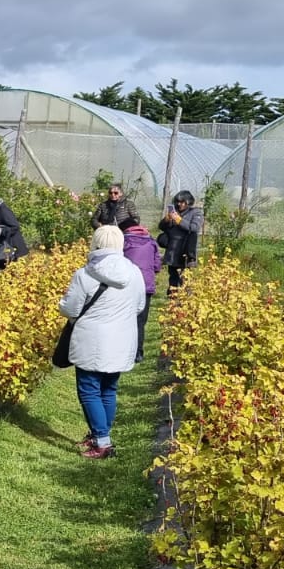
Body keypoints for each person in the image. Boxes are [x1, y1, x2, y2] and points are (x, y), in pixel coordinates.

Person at [59, 226, 145, 460]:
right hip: (122, 340)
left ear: (95, 243)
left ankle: (102, 441)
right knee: (109, 388)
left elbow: (71, 309)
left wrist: (61, 303)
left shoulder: (85, 274)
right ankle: (101, 435)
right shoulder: (134, 272)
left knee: (89, 390)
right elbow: (139, 306)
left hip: (91, 340)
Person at [119, 217, 160, 361]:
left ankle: (123, 350)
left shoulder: (123, 242)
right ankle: (138, 352)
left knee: (124, 317)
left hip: (127, 284)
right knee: (141, 320)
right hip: (145, 286)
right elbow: (157, 266)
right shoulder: (151, 241)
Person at [160, 191, 204, 292]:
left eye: (182, 202)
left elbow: (194, 228)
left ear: (188, 202)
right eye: (178, 201)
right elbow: (161, 227)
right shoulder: (174, 212)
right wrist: (167, 219)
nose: (179, 204)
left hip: (186, 252)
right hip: (172, 252)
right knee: (173, 279)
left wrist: (179, 220)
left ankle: (185, 304)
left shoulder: (196, 213)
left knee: (185, 281)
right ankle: (172, 303)